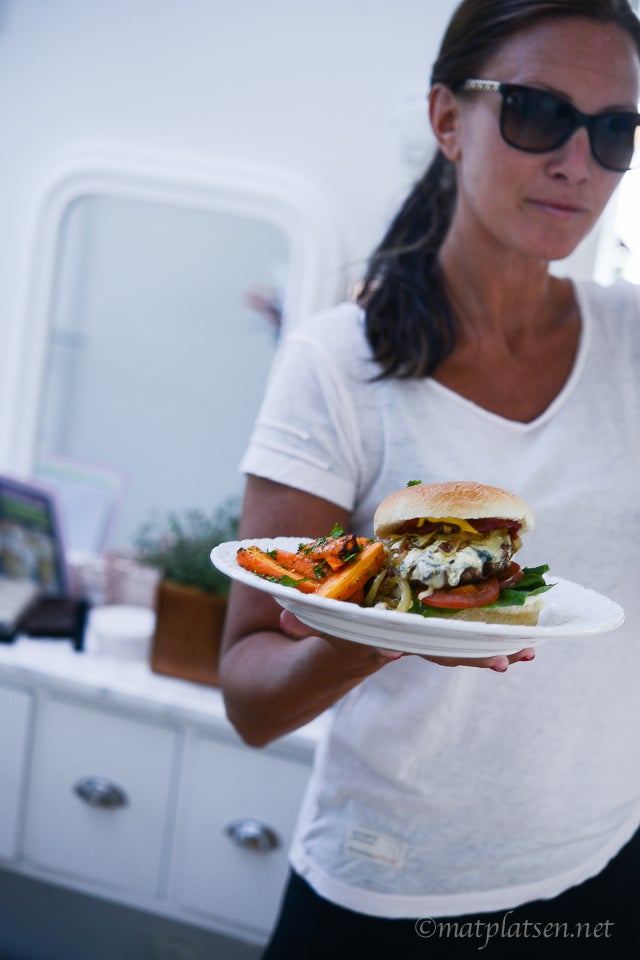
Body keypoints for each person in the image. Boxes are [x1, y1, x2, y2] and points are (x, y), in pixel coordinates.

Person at [219, 1, 640, 955]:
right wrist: (377, 635)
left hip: (606, 869)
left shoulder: (632, 344)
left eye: (615, 129)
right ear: (448, 118)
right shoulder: (337, 365)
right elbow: (249, 697)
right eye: (538, 112)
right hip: (390, 894)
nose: (578, 161)